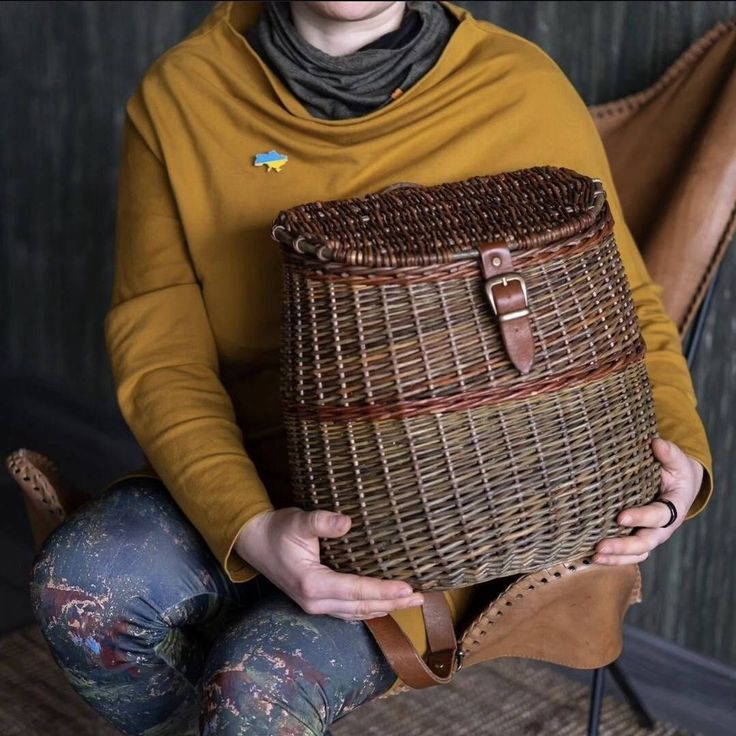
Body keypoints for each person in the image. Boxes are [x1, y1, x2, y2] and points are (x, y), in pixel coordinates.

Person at [29, 2, 713, 735]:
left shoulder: (519, 86)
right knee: (82, 586)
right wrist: (251, 525)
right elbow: (160, 351)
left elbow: (628, 306)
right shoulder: (183, 96)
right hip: (244, 477)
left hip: (438, 521)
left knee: (255, 690)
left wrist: (683, 459)